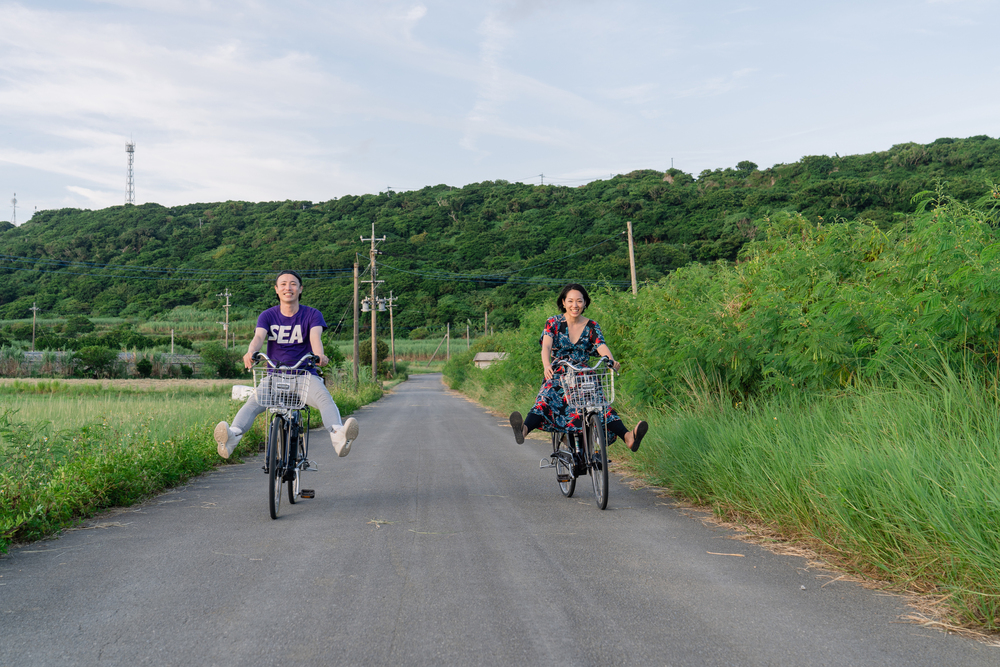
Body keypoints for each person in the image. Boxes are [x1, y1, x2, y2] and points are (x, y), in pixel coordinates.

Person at [214, 270, 359, 459]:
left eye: (292, 284)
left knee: (325, 400)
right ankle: (232, 437)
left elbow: (315, 338)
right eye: (282, 284)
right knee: (253, 403)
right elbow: (258, 337)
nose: (287, 287)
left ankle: (339, 437)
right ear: (276, 289)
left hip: (305, 376)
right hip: (275, 377)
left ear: (300, 289)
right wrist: (251, 352)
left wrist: (319, 355)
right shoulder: (267, 315)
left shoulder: (312, 314)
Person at [508, 283, 647, 451]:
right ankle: (523, 430)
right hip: (559, 371)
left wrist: (611, 361)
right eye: (571, 301)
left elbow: (601, 346)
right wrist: (546, 365)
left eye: (579, 301)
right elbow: (546, 346)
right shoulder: (553, 322)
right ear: (563, 302)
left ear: (585, 303)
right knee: (545, 398)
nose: (575, 305)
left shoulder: (592, 326)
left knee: (600, 405)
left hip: (583, 374)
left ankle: (628, 437)